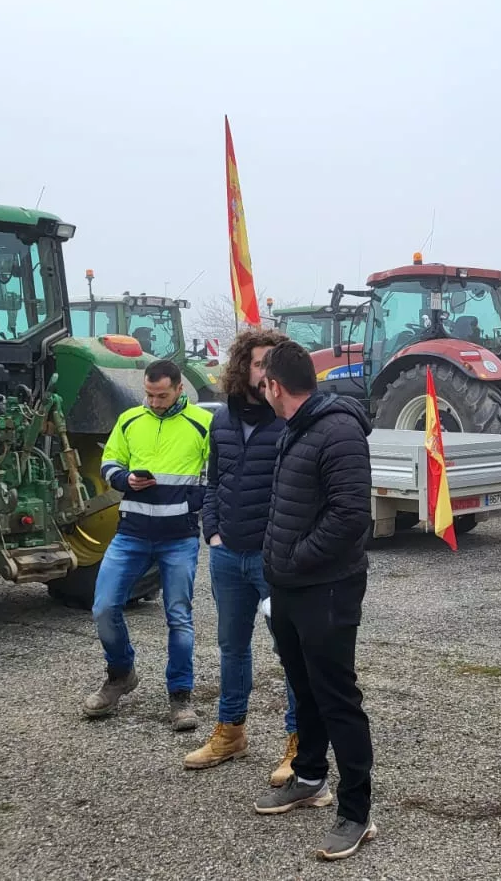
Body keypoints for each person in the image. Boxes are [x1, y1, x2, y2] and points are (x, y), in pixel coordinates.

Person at [252, 340, 378, 862]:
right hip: (290, 586)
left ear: (276, 386)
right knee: (302, 688)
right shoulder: (297, 430)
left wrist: (298, 557)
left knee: (336, 697)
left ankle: (356, 812)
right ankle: (308, 778)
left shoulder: (338, 430)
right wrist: (276, 563)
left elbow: (351, 515)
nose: (262, 392)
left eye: (264, 384)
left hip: (326, 588)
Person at [186, 329, 301, 783]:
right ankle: (230, 732)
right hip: (227, 556)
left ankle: (299, 743)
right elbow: (214, 481)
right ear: (242, 368)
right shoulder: (222, 422)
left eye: (274, 363)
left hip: (272, 561)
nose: (266, 371)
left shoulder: (292, 420)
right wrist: (211, 531)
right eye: (259, 363)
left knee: (292, 653)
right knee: (232, 648)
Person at [82, 359, 214, 730]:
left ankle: (180, 697)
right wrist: (124, 478)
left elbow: (217, 473)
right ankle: (121, 674)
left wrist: (193, 504)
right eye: (149, 395)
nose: (154, 402)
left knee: (179, 617)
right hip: (131, 535)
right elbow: (109, 462)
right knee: (104, 607)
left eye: (162, 395)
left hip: (179, 539)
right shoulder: (129, 420)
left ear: (179, 390)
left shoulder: (202, 424)